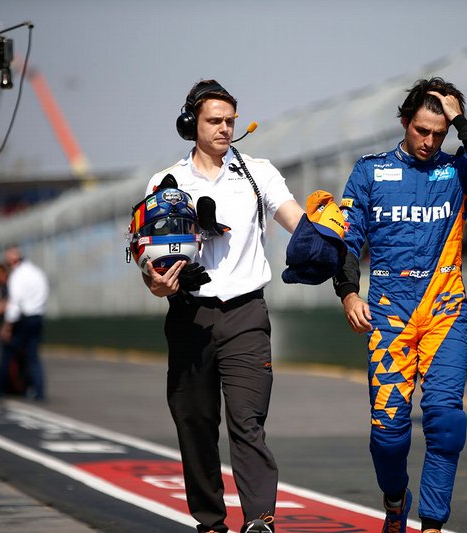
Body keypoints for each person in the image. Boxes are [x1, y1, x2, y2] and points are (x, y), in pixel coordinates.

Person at [333, 77, 467, 532]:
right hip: (388, 316)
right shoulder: (370, 172)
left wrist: (461, 121)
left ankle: (432, 522)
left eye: (439, 132)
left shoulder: (458, 172)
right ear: (404, 122)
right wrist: (348, 291)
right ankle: (395, 501)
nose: (430, 142)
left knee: (446, 421)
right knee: (388, 437)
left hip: (445, 311)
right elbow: (347, 237)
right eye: (421, 130)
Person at [141, 79, 304, 533]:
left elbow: (295, 219)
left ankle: (260, 520)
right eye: (215, 121)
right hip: (189, 314)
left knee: (247, 421)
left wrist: (324, 239)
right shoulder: (166, 181)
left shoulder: (258, 172)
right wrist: (155, 284)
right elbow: (148, 256)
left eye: (231, 121)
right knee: (194, 423)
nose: (225, 129)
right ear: (191, 124)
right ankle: (211, 523)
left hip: (247, 314)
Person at [0, 245, 49, 400]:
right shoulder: (37, 272)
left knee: (7, 353)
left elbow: (15, 303)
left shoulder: (17, 276)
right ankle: (38, 391)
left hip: (23, 319)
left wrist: (7, 326)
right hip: (37, 316)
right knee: (32, 356)